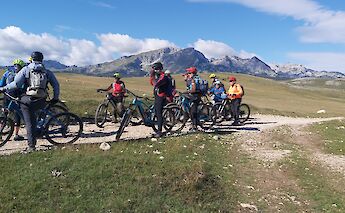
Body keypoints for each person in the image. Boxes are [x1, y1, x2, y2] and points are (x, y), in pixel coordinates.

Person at [0, 51, 60, 152]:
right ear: (41, 59)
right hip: (41, 99)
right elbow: (56, 85)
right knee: (35, 114)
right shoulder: (47, 71)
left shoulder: (26, 69)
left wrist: (4, 88)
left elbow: (16, 84)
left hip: (28, 99)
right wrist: (55, 98)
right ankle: (39, 126)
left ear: (31, 59)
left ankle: (31, 146)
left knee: (29, 122)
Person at [0, 59, 26, 141]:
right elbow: (24, 87)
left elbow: (1, 84)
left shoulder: (7, 72)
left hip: (6, 95)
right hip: (17, 97)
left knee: (5, 114)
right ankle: (16, 135)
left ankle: (0, 133)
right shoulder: (22, 74)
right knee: (17, 115)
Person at [150, 62, 170, 138]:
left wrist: (152, 76)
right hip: (157, 96)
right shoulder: (158, 76)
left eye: (156, 69)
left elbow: (156, 84)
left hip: (161, 97)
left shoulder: (163, 77)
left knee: (159, 114)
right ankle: (157, 129)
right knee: (156, 112)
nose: (155, 70)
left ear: (159, 69)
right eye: (154, 69)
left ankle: (159, 131)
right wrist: (152, 76)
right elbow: (151, 83)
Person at [185, 67, 202, 131]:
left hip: (196, 96)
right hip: (195, 96)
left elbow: (193, 89)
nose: (188, 74)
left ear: (193, 73)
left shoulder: (194, 79)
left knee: (193, 111)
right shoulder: (193, 79)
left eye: (189, 73)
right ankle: (194, 124)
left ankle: (195, 126)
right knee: (192, 110)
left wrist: (188, 92)